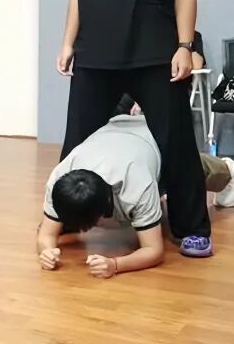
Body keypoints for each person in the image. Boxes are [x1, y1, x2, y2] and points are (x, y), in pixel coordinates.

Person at [55, 0, 210, 258]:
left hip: (155, 52)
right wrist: (68, 41)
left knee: (176, 142)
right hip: (96, 52)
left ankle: (192, 227)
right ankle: (67, 216)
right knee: (76, 141)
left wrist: (185, 45)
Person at [36, 113, 234, 277]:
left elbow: (154, 251)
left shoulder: (136, 184)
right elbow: (46, 234)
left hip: (151, 134)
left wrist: (115, 265)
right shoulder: (60, 179)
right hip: (114, 129)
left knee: (189, 170)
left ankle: (228, 170)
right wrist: (46, 251)